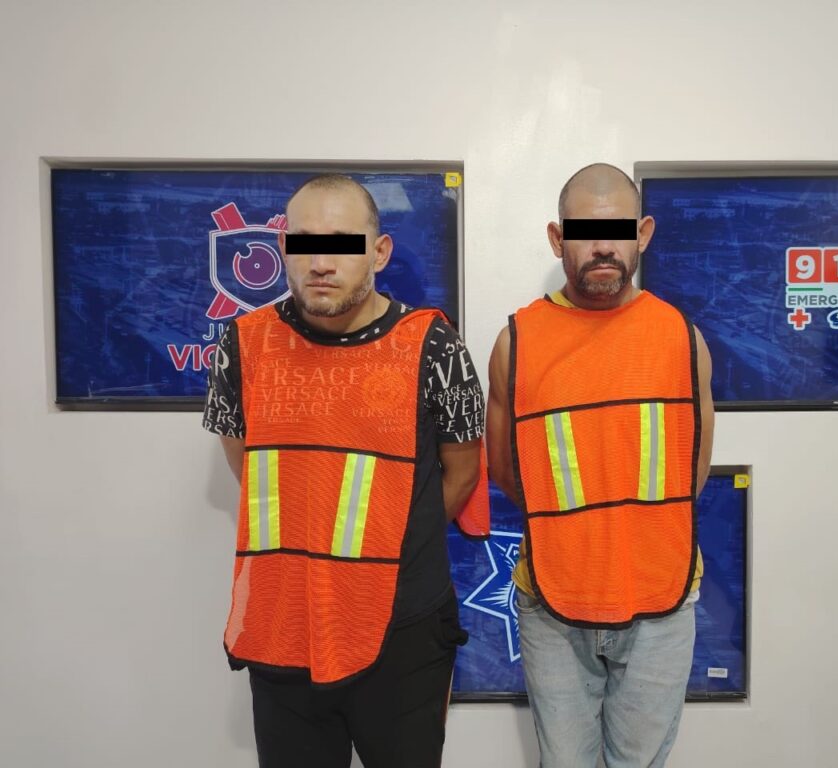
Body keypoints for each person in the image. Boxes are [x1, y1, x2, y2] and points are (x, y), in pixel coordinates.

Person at [202, 173, 488, 768]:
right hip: (283, 621)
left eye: (342, 245)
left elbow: (460, 475)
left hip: (404, 627)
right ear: (284, 248)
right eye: (306, 244)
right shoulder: (242, 343)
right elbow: (249, 465)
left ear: (379, 252)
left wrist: (386, 540)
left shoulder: (435, 347)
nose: (321, 263)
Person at [486, 163, 715, 768]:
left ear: (643, 234)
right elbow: (508, 472)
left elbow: (692, 469)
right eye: (586, 232)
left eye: (616, 231)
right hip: (553, 600)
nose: (603, 247)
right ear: (557, 238)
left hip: (662, 596)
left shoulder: (682, 338)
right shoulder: (516, 342)